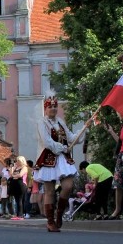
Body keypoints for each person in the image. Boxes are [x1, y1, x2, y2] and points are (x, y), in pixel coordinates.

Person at [35, 96, 90, 232]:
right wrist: (62, 147)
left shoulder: (60, 122)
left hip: (63, 158)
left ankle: (59, 213)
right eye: (50, 107)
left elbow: (71, 138)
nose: (53, 109)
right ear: (45, 109)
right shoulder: (42, 123)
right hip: (48, 157)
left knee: (68, 185)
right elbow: (47, 142)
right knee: (50, 191)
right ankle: (50, 221)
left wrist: (83, 129)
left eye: (55, 106)